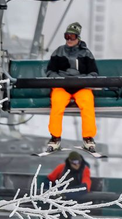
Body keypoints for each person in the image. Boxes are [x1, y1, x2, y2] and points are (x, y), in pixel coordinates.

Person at [44, 22, 99, 154]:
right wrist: (59, 79)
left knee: (87, 103)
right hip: (62, 86)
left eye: (72, 37)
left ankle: (88, 137)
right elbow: (50, 71)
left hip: (80, 87)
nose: (69, 40)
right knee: (57, 103)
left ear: (78, 38)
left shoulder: (86, 54)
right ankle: (55, 137)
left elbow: (94, 73)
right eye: (67, 36)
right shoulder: (58, 52)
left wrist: (83, 80)